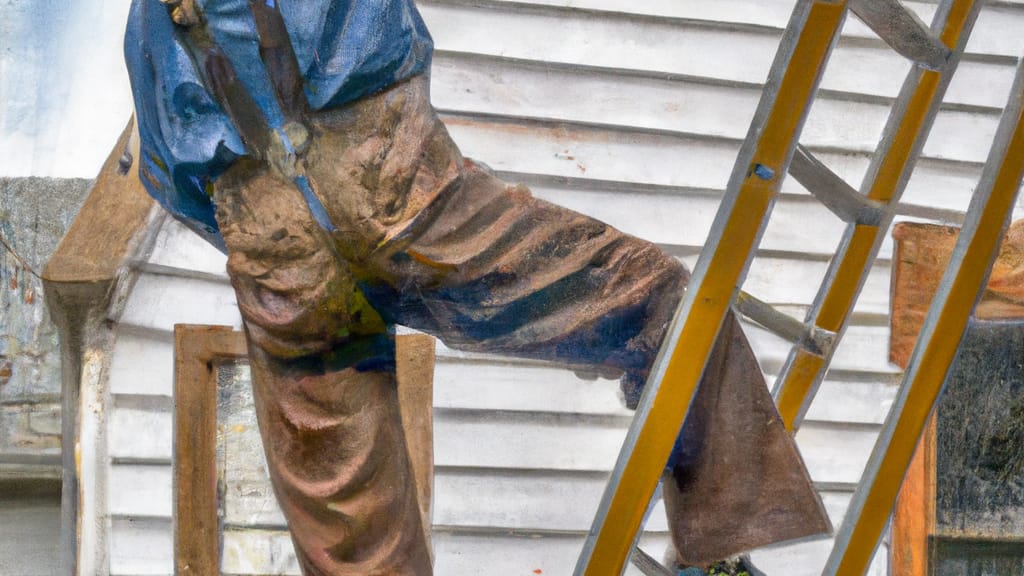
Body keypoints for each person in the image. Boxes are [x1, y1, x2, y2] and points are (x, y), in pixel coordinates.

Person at [125, 1, 830, 573]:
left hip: (272, 240)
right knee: (655, 298)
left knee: (350, 527)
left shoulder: (148, 23)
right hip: (390, 173)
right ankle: (723, 543)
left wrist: (271, 234)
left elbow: (170, 182)